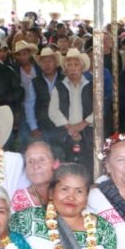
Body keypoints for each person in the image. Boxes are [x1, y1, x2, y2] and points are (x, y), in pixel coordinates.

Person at [48, 48, 97, 177]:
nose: (73, 68)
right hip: (65, 132)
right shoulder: (59, 86)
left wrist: (83, 124)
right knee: (66, 165)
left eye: (76, 64)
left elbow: (99, 109)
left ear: (82, 67)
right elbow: (53, 111)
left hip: (87, 132)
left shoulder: (92, 86)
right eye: (69, 65)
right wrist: (70, 128)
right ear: (65, 69)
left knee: (88, 165)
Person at [11, 140, 58, 212]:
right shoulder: (19, 199)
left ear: (55, 164)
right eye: (30, 161)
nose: (35, 166)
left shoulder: (66, 193)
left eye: (42, 159)